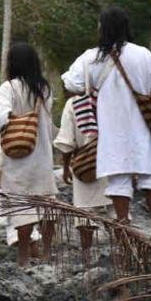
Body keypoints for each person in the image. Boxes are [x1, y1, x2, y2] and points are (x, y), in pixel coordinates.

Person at [62, 7, 151, 247]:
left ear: (102, 28)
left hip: (111, 132)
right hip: (143, 129)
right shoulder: (143, 54)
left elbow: (71, 83)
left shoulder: (90, 58)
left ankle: (124, 230)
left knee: (118, 181)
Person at [0, 43, 58, 267]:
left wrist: (14, 118)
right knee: (48, 203)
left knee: (22, 208)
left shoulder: (8, 88)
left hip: (17, 156)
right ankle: (47, 253)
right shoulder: (45, 89)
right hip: (41, 155)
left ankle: (23, 257)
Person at [54, 93, 112, 257]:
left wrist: (66, 167)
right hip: (113, 159)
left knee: (85, 210)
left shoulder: (74, 103)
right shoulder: (111, 97)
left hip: (86, 163)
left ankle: (87, 254)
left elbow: (67, 140)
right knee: (117, 209)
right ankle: (124, 249)